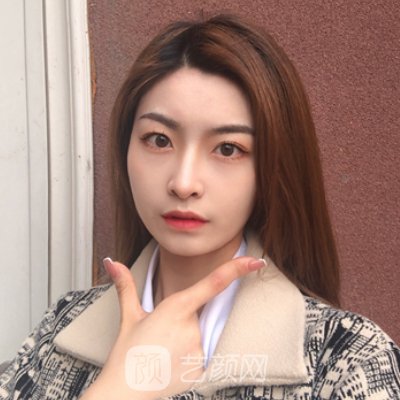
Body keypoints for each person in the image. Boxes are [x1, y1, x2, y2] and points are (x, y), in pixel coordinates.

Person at [1, 14, 399, 400]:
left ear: (274, 168)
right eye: (159, 140)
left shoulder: (350, 361)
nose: (184, 183)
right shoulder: (61, 327)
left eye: (228, 149)